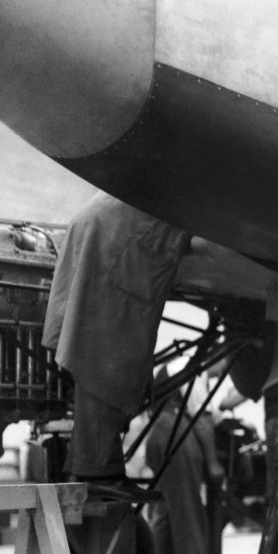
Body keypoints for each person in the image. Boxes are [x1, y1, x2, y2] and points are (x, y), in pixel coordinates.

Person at [42, 192, 192, 501]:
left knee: (97, 346)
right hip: (122, 233)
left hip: (105, 220)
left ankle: (89, 464)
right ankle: (95, 469)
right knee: (106, 352)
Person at [145, 358, 232, 554]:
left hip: (159, 432)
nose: (221, 374)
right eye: (223, 368)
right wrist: (213, 462)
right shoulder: (194, 366)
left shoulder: (177, 364)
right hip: (177, 432)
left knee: (166, 509)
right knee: (189, 508)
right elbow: (202, 419)